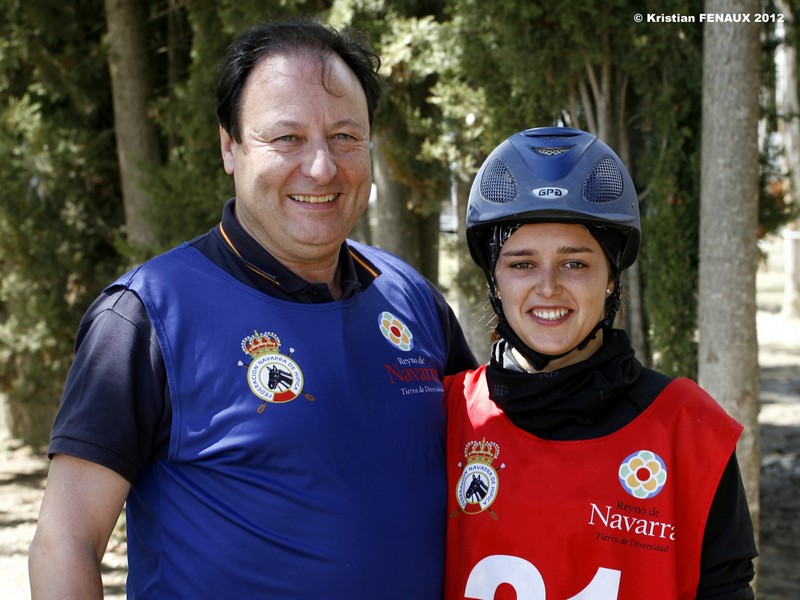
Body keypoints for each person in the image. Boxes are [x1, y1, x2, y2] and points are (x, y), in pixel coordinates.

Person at [29, 18, 477, 599]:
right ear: (229, 146)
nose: (321, 167)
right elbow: (66, 541)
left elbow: (490, 468)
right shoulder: (147, 314)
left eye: (345, 136)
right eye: (286, 138)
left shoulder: (411, 297)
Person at [444, 127, 758, 599]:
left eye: (575, 263)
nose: (547, 288)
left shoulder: (688, 430)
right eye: (522, 263)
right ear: (494, 280)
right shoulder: (446, 415)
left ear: (612, 277)